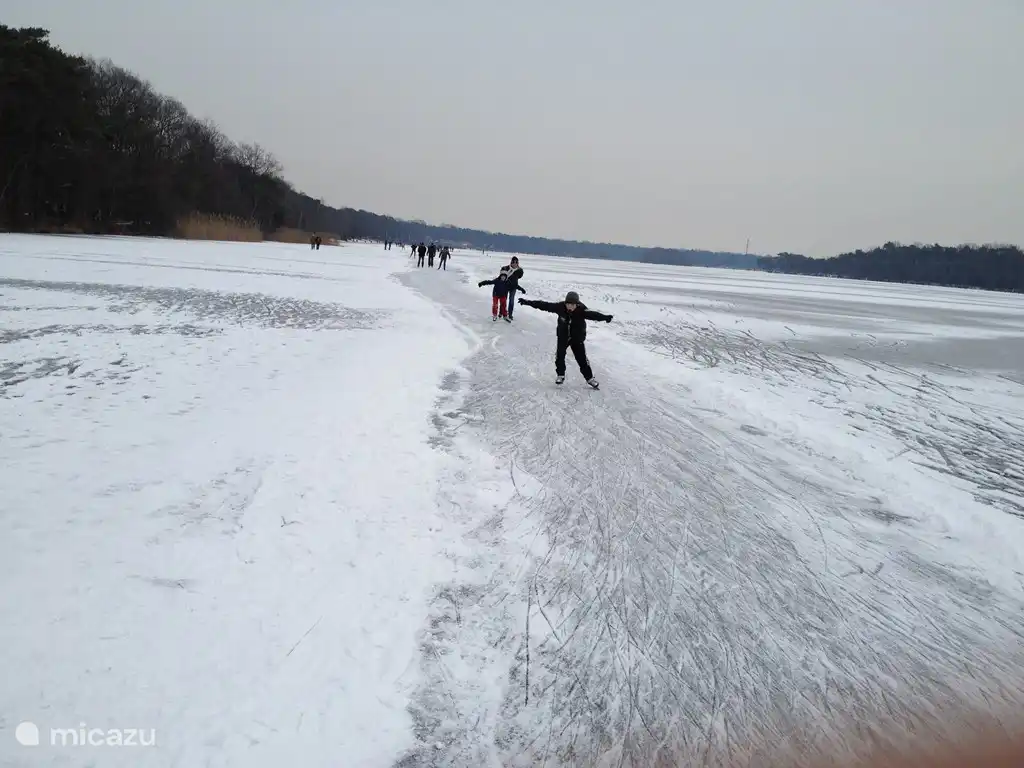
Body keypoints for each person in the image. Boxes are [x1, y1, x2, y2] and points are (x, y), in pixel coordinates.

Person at [518, 290, 612, 387]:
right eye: (568, 304)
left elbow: (594, 315)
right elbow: (544, 305)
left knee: (582, 359)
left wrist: (605, 317)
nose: (570, 307)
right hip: (563, 336)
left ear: (577, 304)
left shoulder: (582, 310)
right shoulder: (560, 307)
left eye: (572, 305)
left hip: (577, 338)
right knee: (560, 355)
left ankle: (590, 378)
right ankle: (560, 375)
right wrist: (527, 302)